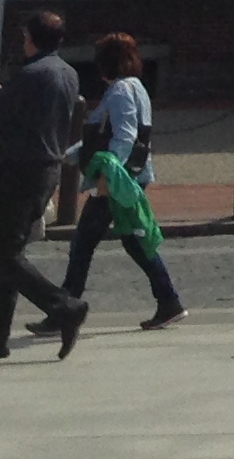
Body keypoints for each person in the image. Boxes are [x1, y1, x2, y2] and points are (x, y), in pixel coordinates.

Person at [0, 10, 87, 361]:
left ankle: (65, 306)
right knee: (11, 250)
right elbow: (26, 111)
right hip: (47, 170)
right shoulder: (68, 72)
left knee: (5, 257)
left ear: (31, 39)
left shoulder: (31, 74)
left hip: (20, 172)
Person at [41, 34, 184, 331]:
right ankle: (169, 300)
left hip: (117, 180)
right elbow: (107, 136)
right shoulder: (137, 87)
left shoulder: (119, 91)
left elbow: (123, 136)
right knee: (134, 240)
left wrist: (108, 173)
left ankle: (65, 311)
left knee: (83, 242)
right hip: (134, 175)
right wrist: (69, 155)